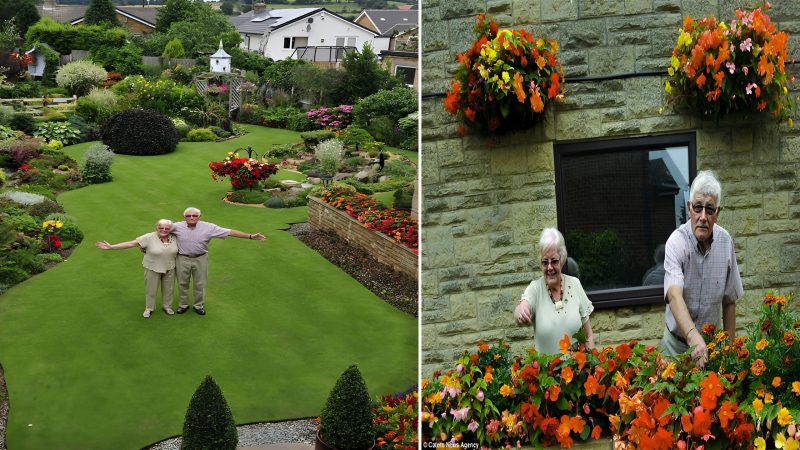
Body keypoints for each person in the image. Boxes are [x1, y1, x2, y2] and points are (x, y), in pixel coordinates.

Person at [660, 170, 743, 366]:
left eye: (710, 209)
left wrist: (728, 353)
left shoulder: (725, 242)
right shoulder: (676, 242)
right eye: (698, 208)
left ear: (718, 213)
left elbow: (730, 301)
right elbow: (673, 295)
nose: (703, 216)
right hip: (675, 348)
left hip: (712, 350)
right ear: (689, 208)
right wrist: (693, 337)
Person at [514, 228, 596, 354]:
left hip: (577, 371)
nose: (549, 267)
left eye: (554, 261)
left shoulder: (575, 284)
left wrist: (590, 365)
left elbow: (588, 336)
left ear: (562, 259)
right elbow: (522, 307)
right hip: (546, 372)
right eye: (545, 262)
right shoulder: (535, 289)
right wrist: (521, 309)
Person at [172, 207, 265, 316]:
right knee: (183, 282)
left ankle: (198, 305)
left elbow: (229, 232)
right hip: (182, 258)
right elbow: (160, 231)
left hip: (200, 258)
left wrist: (250, 236)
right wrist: (146, 244)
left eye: (194, 215)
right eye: (188, 215)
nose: (191, 217)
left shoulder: (209, 227)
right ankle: (183, 305)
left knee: (200, 283)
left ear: (199, 217)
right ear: (184, 217)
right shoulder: (176, 226)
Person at [95, 219, 178, 318]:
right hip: (152, 267)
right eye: (161, 228)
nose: (164, 230)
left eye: (166, 228)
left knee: (169, 289)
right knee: (151, 289)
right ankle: (149, 308)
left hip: (170, 267)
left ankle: (167, 307)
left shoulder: (175, 237)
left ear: (170, 229)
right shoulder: (149, 237)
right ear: (157, 228)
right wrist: (112, 247)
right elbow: (131, 243)